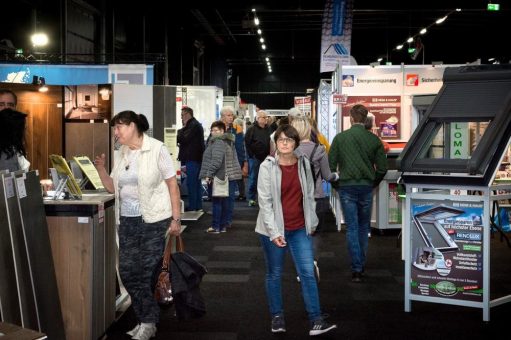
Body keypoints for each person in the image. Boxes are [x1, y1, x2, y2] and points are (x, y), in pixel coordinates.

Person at [94, 111, 182, 340]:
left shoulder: (157, 148)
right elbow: (113, 188)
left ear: (133, 126)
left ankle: (148, 322)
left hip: (154, 219)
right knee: (126, 272)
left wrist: (176, 218)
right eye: (115, 128)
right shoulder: (122, 152)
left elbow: (173, 185)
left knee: (144, 273)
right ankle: (145, 318)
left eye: (119, 127)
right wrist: (101, 169)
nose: (116, 132)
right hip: (127, 221)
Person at [255, 124, 337, 336]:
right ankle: (277, 317)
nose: (284, 143)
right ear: (275, 143)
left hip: (299, 227)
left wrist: (311, 223)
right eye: (280, 140)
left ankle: (316, 319)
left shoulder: (303, 164)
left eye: (289, 140)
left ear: (295, 143)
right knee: (274, 274)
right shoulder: (267, 166)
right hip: (273, 230)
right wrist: (274, 233)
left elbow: (309, 195)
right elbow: (265, 202)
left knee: (308, 273)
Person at [329, 104, 388, 283]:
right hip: (365, 187)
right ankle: (360, 265)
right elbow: (383, 168)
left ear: (351, 118)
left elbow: (330, 167)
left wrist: (338, 184)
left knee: (352, 228)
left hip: (347, 186)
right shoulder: (374, 140)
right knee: (363, 227)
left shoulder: (340, 138)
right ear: (365, 119)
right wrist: (373, 183)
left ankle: (356, 268)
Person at [199, 120, 242, 233]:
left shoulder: (218, 142)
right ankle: (222, 226)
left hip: (220, 176)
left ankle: (215, 227)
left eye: (216, 130)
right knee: (224, 202)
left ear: (222, 131)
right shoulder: (228, 140)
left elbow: (216, 161)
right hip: (228, 176)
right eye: (212, 130)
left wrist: (209, 174)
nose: (213, 132)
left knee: (217, 203)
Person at [220, 106, 248, 228]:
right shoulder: (216, 128)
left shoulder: (237, 129)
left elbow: (241, 148)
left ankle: (228, 220)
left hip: (233, 166)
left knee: (230, 195)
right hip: (219, 167)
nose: (231, 117)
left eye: (232, 115)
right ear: (222, 116)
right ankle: (220, 219)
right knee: (219, 196)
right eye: (229, 115)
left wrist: (244, 164)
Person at [177, 106, 205, 212]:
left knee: (192, 183)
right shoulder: (194, 125)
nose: (181, 117)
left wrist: (180, 130)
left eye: (182, 115)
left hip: (192, 158)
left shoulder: (192, 125)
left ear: (187, 114)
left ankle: (194, 206)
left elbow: (182, 138)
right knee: (196, 183)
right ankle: (197, 206)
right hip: (195, 158)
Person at [244, 110, 271, 207]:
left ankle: (264, 198)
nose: (265, 119)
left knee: (266, 179)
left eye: (266, 117)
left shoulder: (269, 129)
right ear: (257, 118)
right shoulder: (251, 129)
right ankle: (251, 198)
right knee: (253, 178)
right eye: (263, 117)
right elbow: (247, 143)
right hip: (255, 158)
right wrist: (251, 155)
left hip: (267, 158)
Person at [233, 117, 248, 201]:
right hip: (241, 158)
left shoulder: (237, 133)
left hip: (238, 158)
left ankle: (241, 194)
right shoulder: (242, 133)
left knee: (239, 177)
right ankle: (241, 194)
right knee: (240, 178)